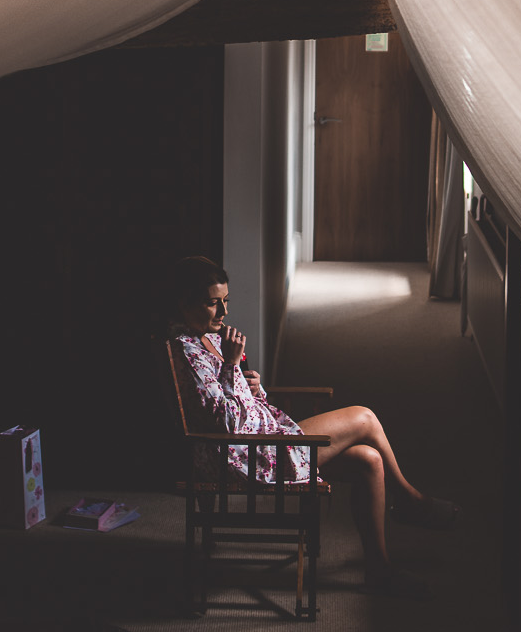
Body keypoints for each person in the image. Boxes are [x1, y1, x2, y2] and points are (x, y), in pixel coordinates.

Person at [166, 255, 457, 597]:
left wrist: (254, 388)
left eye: (225, 301)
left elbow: (234, 404)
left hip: (262, 440)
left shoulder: (208, 339)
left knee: (369, 460)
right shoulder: (186, 352)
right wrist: (231, 367)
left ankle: (379, 569)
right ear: (184, 304)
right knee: (363, 417)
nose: (223, 313)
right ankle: (411, 500)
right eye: (212, 303)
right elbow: (227, 424)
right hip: (246, 459)